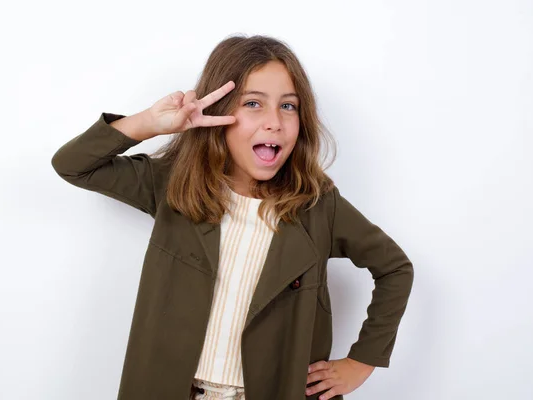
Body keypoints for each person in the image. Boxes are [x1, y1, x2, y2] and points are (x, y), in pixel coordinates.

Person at [51, 34, 414, 400]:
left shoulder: (318, 206)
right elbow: (73, 166)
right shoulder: (173, 185)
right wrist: (149, 123)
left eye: (288, 106)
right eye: (253, 103)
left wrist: (361, 362)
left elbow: (395, 268)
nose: (274, 122)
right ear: (217, 111)